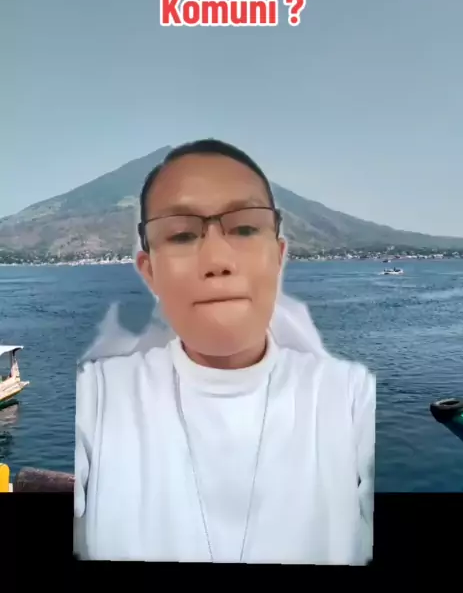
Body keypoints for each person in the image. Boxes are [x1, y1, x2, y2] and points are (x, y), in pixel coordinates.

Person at [74, 138, 375, 564]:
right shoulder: (97, 399)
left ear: (279, 256)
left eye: (246, 228)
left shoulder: (353, 399)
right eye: (181, 234)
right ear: (149, 270)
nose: (217, 259)